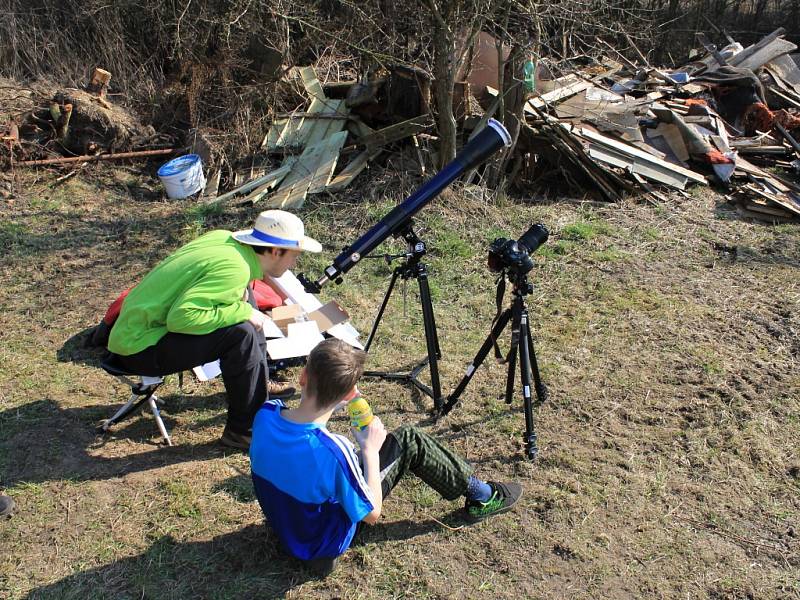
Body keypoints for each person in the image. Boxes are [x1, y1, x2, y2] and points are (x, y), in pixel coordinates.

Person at [249, 339, 522, 575]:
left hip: (285, 523)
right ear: (349, 394)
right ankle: (484, 495)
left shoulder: (266, 413)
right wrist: (369, 451)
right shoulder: (334, 450)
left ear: (303, 376)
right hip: (319, 543)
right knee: (409, 439)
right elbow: (372, 513)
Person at [107, 210, 321, 449]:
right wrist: (243, 312)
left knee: (246, 301)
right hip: (138, 348)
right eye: (295, 256)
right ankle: (244, 431)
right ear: (275, 251)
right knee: (242, 333)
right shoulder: (235, 268)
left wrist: (245, 308)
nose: (295, 263)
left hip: (131, 332)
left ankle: (257, 385)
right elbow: (182, 318)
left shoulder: (225, 240)